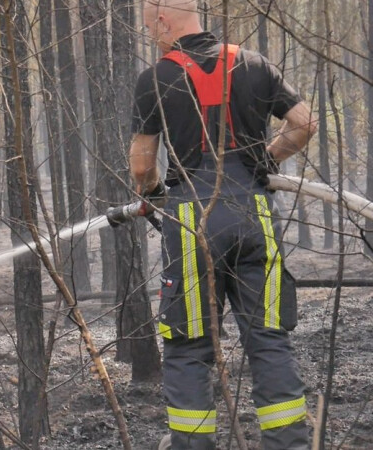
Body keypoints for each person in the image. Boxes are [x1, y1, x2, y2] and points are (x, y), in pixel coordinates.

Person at [128, 1, 317, 449]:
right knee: (268, 338)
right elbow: (305, 123)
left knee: (189, 347)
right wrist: (263, 162)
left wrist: (154, 196)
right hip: (255, 217)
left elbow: (140, 165)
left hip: (193, 222)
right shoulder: (252, 63)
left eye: (150, 28)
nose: (152, 36)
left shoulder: (156, 77)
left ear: (163, 20)